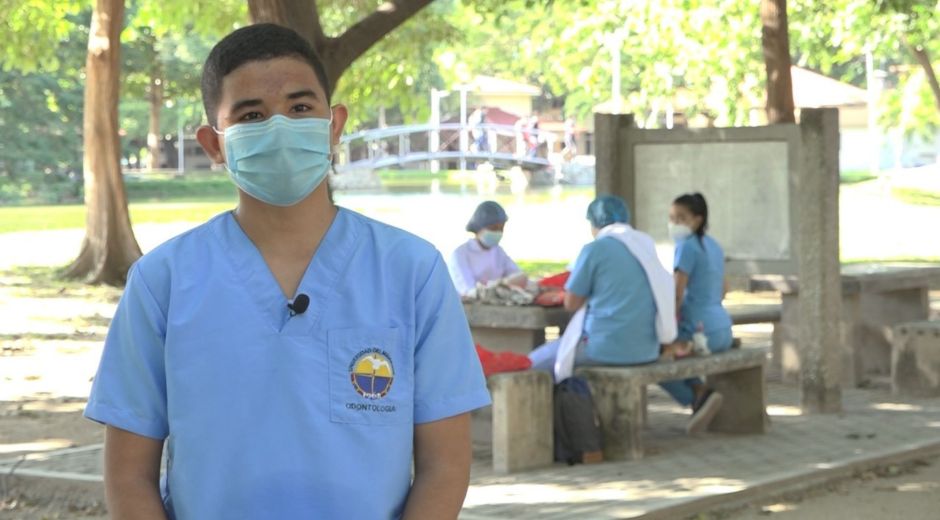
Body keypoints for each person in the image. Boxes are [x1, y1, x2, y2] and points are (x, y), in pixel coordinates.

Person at [83, 24, 490, 520]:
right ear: (215, 144)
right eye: (251, 115)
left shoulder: (411, 271)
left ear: (334, 125)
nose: (279, 127)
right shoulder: (162, 282)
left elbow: (444, 465)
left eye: (300, 108)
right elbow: (129, 475)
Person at [528, 195, 723, 434]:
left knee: (532, 363)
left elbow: (571, 302)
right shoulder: (644, 246)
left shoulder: (595, 249)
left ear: (595, 223)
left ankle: (542, 431)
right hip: (647, 348)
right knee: (634, 350)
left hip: (604, 347)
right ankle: (696, 394)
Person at [662, 193, 734, 402]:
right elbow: (723, 289)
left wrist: (668, 325)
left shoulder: (686, 247)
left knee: (656, 358)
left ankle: (697, 397)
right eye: (672, 218)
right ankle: (697, 389)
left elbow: (676, 293)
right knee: (677, 350)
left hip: (699, 331)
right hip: (723, 329)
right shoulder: (714, 246)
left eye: (681, 218)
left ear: (698, 219)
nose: (674, 223)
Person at [448, 201, 521, 296]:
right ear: (479, 227)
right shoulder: (460, 254)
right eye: (493, 228)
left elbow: (518, 276)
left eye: (501, 228)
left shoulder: (498, 251)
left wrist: (505, 283)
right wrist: (500, 285)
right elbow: (468, 290)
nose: (498, 232)